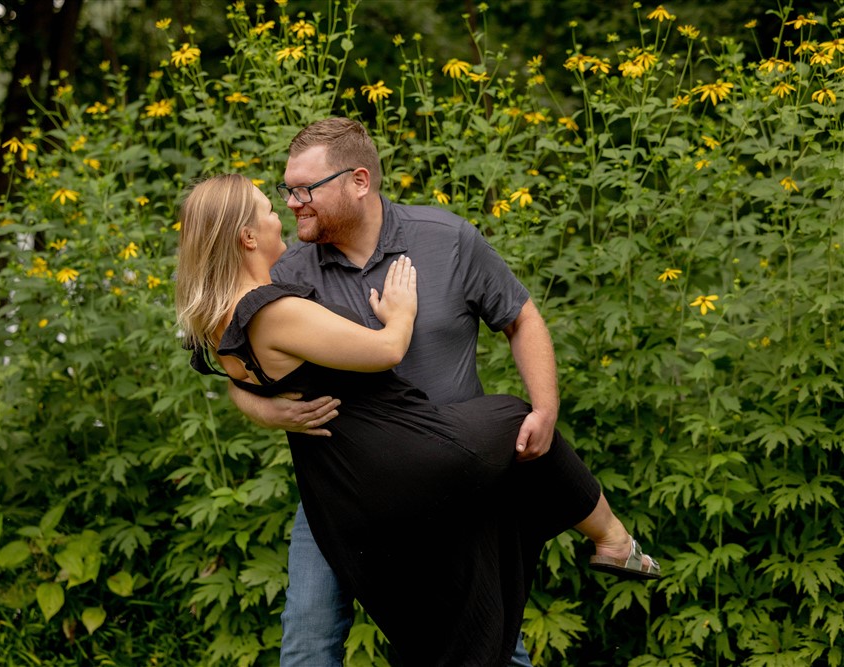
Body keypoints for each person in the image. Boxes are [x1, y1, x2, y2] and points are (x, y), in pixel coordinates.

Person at [175, 171, 661, 666]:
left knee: (466, 621)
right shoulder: (280, 291)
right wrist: (401, 311)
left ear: (357, 180)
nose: (290, 208)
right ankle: (612, 538)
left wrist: (262, 402)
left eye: (301, 191)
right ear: (248, 236)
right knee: (515, 418)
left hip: (389, 477)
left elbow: (241, 373)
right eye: (273, 205)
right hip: (389, 467)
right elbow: (387, 350)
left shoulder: (222, 316)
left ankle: (611, 541)